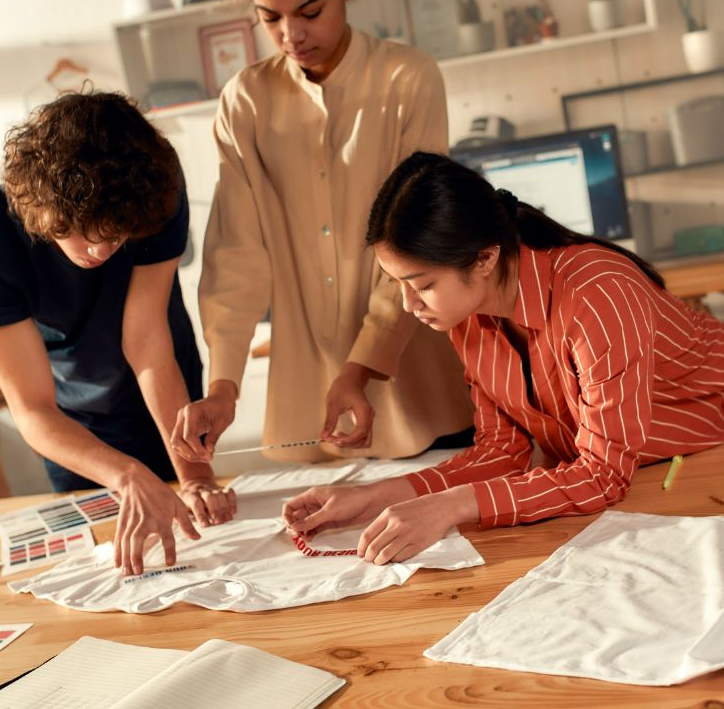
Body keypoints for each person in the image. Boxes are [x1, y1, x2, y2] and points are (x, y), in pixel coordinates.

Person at [282, 151, 724, 564]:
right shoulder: (465, 313)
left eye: (422, 285)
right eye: (397, 284)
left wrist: (451, 506)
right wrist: (379, 494)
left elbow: (602, 476)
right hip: (651, 466)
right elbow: (500, 450)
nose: (408, 305)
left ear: (485, 259)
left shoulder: (597, 294)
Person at [175, 0, 473, 467]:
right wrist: (224, 386)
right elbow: (236, 254)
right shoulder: (245, 103)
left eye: (309, 11)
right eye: (269, 18)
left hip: (421, 389)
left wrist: (361, 369)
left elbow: (421, 241)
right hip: (309, 407)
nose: (290, 34)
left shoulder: (406, 79)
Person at [0, 91, 235, 577]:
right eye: (85, 234)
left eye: (118, 236)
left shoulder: (155, 186)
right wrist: (125, 475)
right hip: (73, 428)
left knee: (205, 559)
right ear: (45, 212)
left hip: (167, 400)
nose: (102, 251)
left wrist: (192, 476)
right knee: (110, 573)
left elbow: (146, 343)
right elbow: (31, 409)